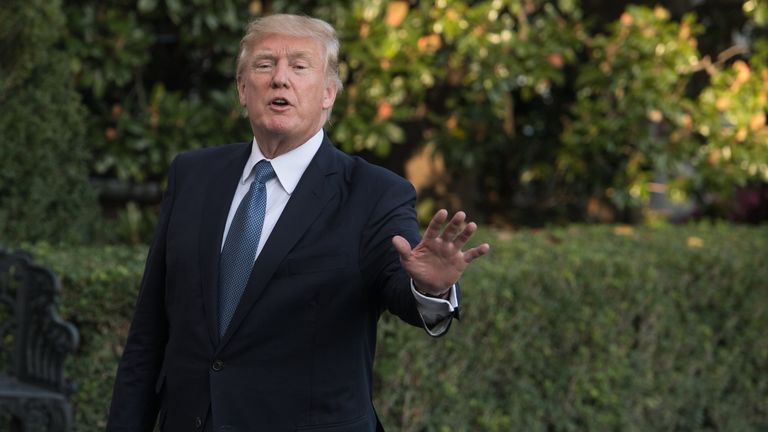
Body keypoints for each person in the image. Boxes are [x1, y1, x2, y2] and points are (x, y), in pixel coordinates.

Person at [107, 13, 489, 432]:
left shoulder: (374, 193)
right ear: (242, 88)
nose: (279, 79)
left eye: (299, 66)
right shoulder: (193, 176)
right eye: (265, 64)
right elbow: (149, 333)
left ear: (328, 93)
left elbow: (400, 289)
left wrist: (430, 287)